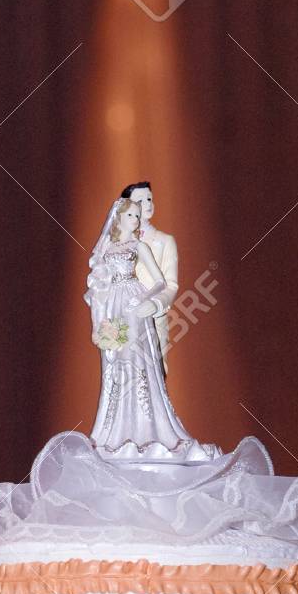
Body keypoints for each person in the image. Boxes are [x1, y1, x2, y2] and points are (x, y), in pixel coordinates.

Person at [84, 197, 213, 463]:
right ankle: (112, 430)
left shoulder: (139, 246)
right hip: (113, 307)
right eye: (132, 215)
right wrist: (99, 320)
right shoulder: (106, 248)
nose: (137, 220)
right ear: (118, 218)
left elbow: (159, 281)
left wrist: (143, 300)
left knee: (138, 363)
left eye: (138, 215)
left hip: (133, 304)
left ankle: (146, 429)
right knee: (115, 365)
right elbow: (97, 285)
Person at [120, 180, 177, 372]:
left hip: (153, 319)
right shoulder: (116, 244)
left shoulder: (165, 241)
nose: (148, 204)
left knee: (154, 377)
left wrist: (156, 304)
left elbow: (171, 285)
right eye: (141, 200)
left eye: (150, 199)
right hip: (125, 320)